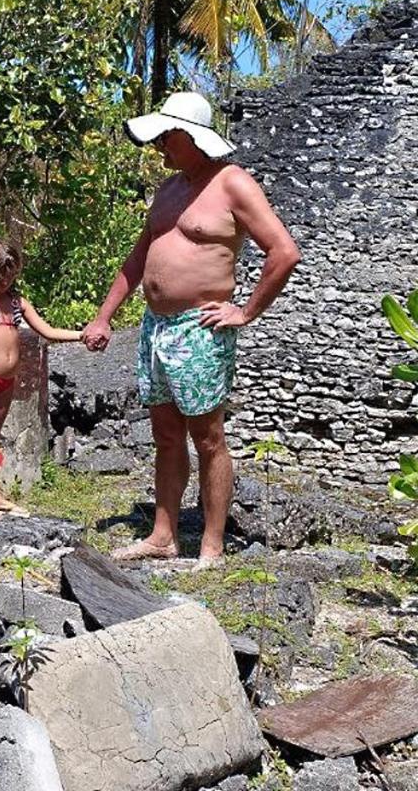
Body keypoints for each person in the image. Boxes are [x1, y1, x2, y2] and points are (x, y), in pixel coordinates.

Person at [82, 92, 300, 567]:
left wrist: (245, 311)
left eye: (167, 136)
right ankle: (163, 535)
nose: (160, 146)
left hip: (200, 329)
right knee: (164, 433)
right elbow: (140, 257)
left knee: (208, 436)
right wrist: (104, 315)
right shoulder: (169, 190)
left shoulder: (232, 184)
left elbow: (283, 252)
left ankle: (213, 545)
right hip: (156, 327)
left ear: (193, 136)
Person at [0, 240, 83, 519]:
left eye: (10, 274)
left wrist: (81, 336)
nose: (5, 280)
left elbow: (47, 331)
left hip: (6, 380)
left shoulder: (17, 303)